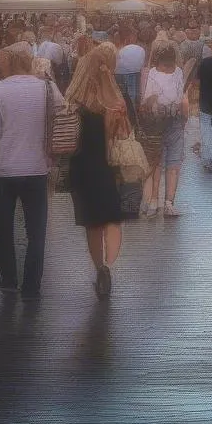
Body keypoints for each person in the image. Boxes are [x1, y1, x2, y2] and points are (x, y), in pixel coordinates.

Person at [0, 43, 64, 300]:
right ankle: (32, 285)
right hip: (36, 166)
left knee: (3, 227)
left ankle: (9, 280)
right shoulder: (46, 87)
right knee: (36, 230)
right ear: (30, 63)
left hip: (4, 168)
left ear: (9, 65)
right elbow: (62, 112)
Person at [66, 42, 132, 299]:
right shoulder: (113, 103)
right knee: (110, 220)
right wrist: (107, 78)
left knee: (92, 224)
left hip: (82, 167)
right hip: (109, 168)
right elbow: (123, 129)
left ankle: (100, 267)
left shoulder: (74, 100)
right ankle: (108, 261)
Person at [141, 41, 188, 216]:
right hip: (166, 121)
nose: (168, 68)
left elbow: (148, 98)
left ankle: (158, 202)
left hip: (160, 122)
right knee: (167, 164)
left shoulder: (155, 73)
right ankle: (163, 202)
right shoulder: (168, 72)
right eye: (166, 65)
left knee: (163, 163)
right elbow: (180, 96)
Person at [115, 26, 147, 109]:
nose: (136, 38)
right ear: (129, 37)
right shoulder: (139, 49)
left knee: (122, 99)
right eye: (134, 36)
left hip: (119, 76)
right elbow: (141, 65)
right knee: (132, 99)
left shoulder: (117, 49)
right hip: (134, 76)